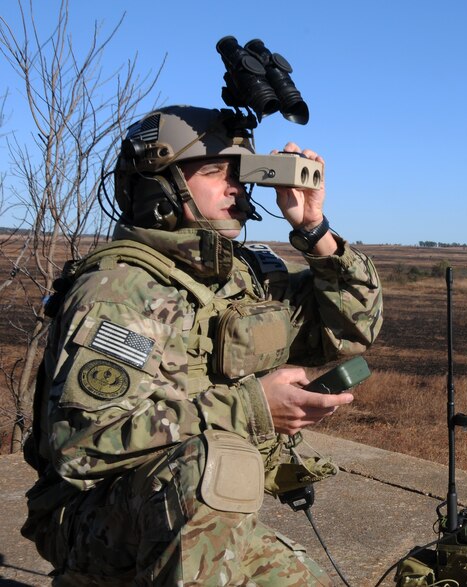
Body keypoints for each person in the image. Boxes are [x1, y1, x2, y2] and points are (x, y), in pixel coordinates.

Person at [21, 105, 383, 586]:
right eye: (215, 171)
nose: (236, 187)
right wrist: (252, 407)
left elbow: (351, 332)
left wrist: (314, 232)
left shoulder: (238, 275)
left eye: (240, 172)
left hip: (194, 511)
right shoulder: (120, 289)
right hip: (97, 519)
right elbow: (81, 446)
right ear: (160, 184)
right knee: (209, 465)